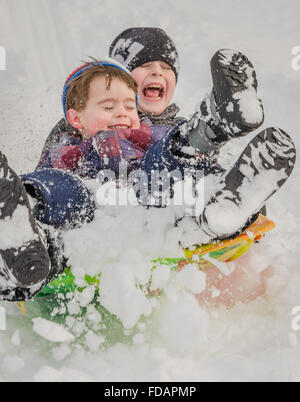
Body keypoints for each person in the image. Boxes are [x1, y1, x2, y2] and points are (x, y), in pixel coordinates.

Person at [0, 55, 296, 302]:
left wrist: (249, 204)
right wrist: (33, 193)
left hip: (151, 206)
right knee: (62, 188)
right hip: (96, 213)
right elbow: (50, 183)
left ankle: (219, 158)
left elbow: (180, 166)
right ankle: (24, 236)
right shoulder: (68, 148)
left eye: (130, 106)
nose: (122, 113)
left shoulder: (151, 135)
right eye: (108, 107)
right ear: (76, 119)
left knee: (170, 159)